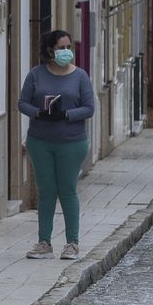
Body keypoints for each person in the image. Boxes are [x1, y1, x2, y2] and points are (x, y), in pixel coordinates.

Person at [18, 30, 97, 261]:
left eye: (68, 47)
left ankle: (72, 243)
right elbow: (22, 102)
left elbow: (89, 107)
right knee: (46, 191)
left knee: (68, 190)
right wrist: (39, 113)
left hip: (72, 142)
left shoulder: (80, 76)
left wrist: (67, 114)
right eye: (61, 47)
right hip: (40, 141)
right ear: (50, 50)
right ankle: (44, 242)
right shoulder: (36, 74)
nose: (66, 52)